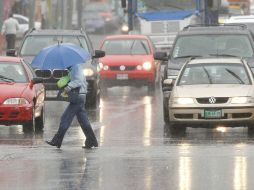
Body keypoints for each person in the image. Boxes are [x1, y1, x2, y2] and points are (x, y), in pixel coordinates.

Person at [46, 63, 98, 149]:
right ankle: (91, 141)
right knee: (84, 121)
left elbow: (79, 81)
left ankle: (57, 141)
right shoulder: (73, 68)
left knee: (65, 119)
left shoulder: (75, 67)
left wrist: (69, 87)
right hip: (81, 95)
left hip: (78, 96)